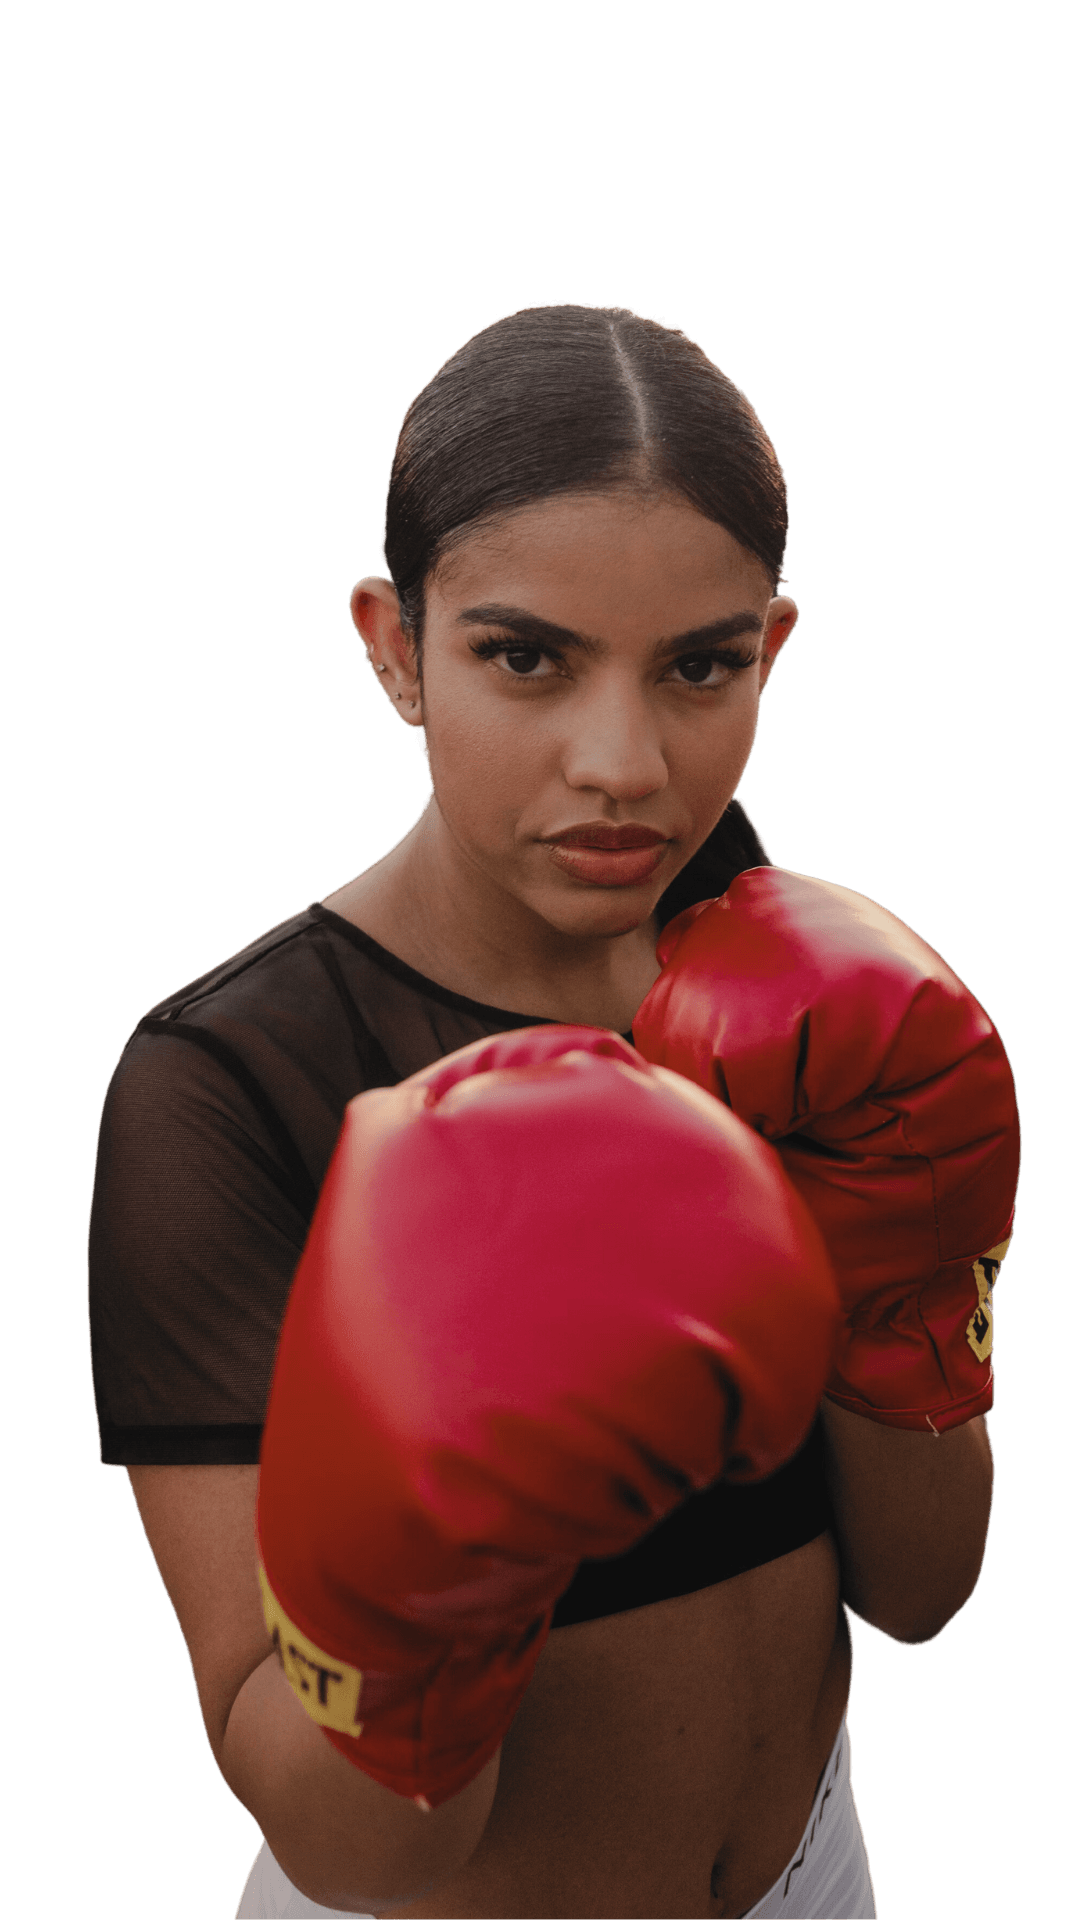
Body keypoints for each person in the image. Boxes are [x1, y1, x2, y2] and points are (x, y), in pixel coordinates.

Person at [88, 303, 1012, 1919]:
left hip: (822, 1871)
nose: (624, 764)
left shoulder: (789, 982)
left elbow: (923, 1595)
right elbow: (354, 1847)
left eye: (699, 666)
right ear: (393, 644)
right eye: (526, 657)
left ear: (772, 650)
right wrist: (418, 1595)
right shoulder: (229, 1088)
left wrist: (909, 1291)